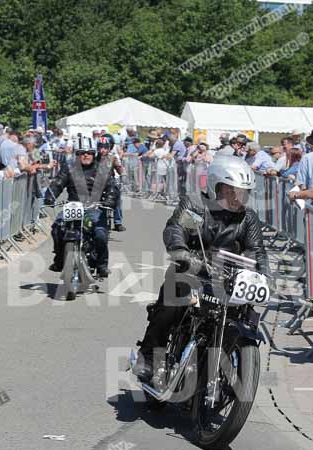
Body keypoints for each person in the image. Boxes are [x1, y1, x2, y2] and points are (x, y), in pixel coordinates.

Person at [132, 156, 269, 383]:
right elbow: (176, 229)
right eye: (231, 190)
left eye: (243, 192)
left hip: (228, 280)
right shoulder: (196, 206)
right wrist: (182, 252)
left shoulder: (248, 219)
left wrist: (265, 276)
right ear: (216, 187)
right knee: (171, 303)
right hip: (193, 271)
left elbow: (257, 250)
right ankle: (148, 356)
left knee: (245, 315)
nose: (238, 197)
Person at [48, 136, 119, 278]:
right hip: (73, 205)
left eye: (89, 153)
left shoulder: (102, 169)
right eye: (82, 153)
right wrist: (49, 196)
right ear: (77, 154)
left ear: (94, 154)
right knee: (57, 227)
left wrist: (109, 200)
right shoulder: (69, 168)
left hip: (95, 207)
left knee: (100, 234)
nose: (86, 155)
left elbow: (112, 187)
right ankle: (59, 258)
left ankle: (101, 265)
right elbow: (57, 183)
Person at [96, 137, 126, 231]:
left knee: (117, 200)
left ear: (109, 148)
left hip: (110, 183)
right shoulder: (94, 158)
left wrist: (123, 174)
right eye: (101, 147)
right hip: (97, 184)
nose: (103, 150)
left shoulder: (112, 158)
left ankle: (118, 223)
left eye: (105, 147)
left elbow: (119, 167)